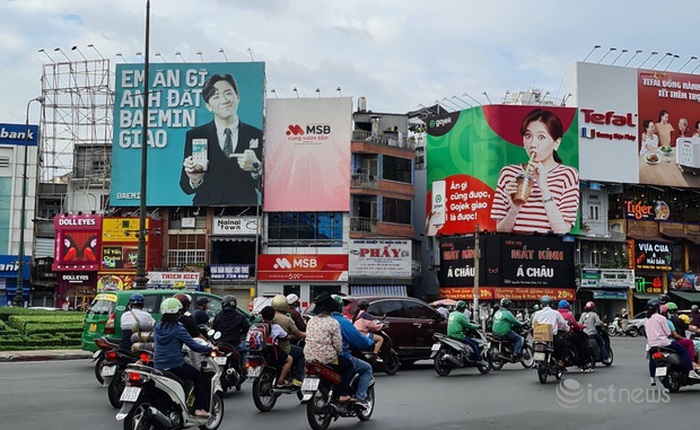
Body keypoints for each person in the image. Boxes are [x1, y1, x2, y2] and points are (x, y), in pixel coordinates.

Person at [491, 108, 579, 235]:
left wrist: (543, 186)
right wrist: (514, 210)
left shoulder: (568, 175)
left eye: (541, 137)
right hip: (513, 250)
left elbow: (562, 231)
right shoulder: (508, 173)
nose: (533, 144)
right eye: (528, 136)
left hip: (550, 252)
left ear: (556, 143)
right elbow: (501, 231)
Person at [179, 73, 263, 206]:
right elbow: (185, 187)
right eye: (216, 96)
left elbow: (266, 189)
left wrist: (256, 168)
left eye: (228, 93)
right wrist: (195, 180)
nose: (224, 100)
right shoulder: (196, 135)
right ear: (208, 106)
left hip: (245, 212)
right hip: (206, 210)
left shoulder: (257, 134)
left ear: (238, 97)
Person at [154, 297, 216, 418]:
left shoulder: (157, 327)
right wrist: (210, 348)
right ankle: (199, 408)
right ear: (178, 312)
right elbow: (194, 346)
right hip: (176, 365)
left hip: (158, 365)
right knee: (198, 377)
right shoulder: (179, 328)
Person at [303, 293, 355, 403]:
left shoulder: (311, 321)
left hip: (309, 356)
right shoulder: (333, 323)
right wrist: (339, 353)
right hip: (327, 358)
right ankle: (344, 394)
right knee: (348, 366)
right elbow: (337, 344)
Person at [331, 295, 374, 409]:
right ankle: (360, 398)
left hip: (315, 356)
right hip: (337, 356)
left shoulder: (317, 321)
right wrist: (369, 342)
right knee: (366, 368)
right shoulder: (342, 322)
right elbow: (357, 339)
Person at [645, 299, 695, 386]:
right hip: (664, 342)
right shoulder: (661, 318)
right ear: (657, 308)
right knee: (684, 351)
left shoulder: (647, 320)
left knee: (652, 358)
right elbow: (668, 333)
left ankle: (652, 378)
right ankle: (691, 371)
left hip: (651, 344)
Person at [271, 294, 306, 386]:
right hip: (283, 347)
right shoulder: (287, 319)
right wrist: (306, 335)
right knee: (302, 353)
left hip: (269, 348)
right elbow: (298, 334)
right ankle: (298, 378)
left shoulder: (268, 317)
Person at [259, 306, 294, 387]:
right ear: (273, 316)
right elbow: (285, 336)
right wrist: (292, 336)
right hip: (272, 352)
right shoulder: (276, 327)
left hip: (260, 352)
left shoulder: (258, 325)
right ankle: (281, 380)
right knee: (289, 359)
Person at [532, 296, 570, 369]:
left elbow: (534, 324)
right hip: (552, 337)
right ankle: (560, 361)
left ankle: (537, 362)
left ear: (541, 305)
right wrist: (567, 329)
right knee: (565, 345)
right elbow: (563, 323)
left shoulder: (537, 313)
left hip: (540, 338)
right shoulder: (555, 313)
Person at [447, 300, 487, 365]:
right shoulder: (460, 315)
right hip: (458, 335)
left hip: (450, 334)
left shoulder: (451, 314)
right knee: (475, 344)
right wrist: (477, 326)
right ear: (462, 308)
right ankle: (479, 360)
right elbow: (468, 325)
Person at [557, 300, 591, 372]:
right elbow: (576, 325)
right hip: (568, 334)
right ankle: (583, 363)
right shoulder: (568, 315)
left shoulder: (556, 313)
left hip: (557, 334)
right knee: (580, 346)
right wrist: (581, 327)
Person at [664, 302, 698, 368]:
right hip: (671, 341)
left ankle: (652, 376)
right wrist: (682, 338)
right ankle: (692, 363)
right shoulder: (672, 321)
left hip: (656, 343)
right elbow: (675, 335)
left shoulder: (654, 321)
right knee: (688, 345)